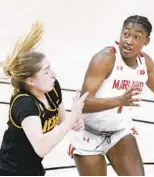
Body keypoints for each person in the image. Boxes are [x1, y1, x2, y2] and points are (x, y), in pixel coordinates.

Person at [70, 15, 154, 176]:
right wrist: (119, 100)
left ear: (146, 42)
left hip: (119, 133)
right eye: (126, 34)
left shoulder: (145, 64)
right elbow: (82, 104)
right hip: (89, 133)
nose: (128, 41)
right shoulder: (106, 58)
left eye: (136, 37)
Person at [0, 22, 88, 176]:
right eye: (46, 72)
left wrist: (74, 121)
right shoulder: (24, 104)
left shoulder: (52, 88)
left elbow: (61, 119)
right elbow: (41, 147)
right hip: (11, 170)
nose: (53, 74)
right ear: (31, 81)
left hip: (32, 167)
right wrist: (71, 119)